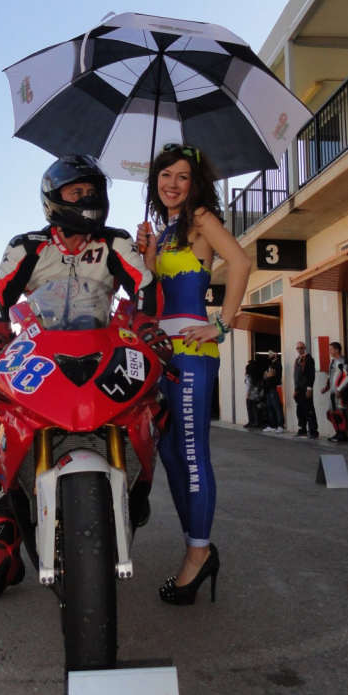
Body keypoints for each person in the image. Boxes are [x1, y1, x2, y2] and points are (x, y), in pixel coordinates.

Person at [0, 154, 173, 603]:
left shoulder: (116, 240)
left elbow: (143, 285)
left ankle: (137, 488)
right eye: (75, 191)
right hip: (39, 348)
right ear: (52, 198)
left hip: (104, 342)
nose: (86, 197)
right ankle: (5, 559)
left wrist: (146, 325)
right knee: (3, 446)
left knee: (156, 407)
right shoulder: (28, 245)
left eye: (92, 190)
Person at [137, 142, 251, 606]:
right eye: (165, 175)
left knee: (190, 452)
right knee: (168, 452)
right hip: (163, 355)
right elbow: (157, 291)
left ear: (195, 183)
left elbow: (240, 262)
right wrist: (148, 256)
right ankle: (196, 546)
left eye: (182, 176)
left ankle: (198, 553)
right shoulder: (167, 231)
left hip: (192, 353)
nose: (172, 183)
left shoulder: (201, 218)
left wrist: (221, 324)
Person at [321, 342, 347, 442]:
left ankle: (342, 434)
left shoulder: (343, 361)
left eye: (331, 349)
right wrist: (326, 388)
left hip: (340, 393)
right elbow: (330, 376)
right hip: (332, 392)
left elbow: (347, 377)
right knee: (331, 413)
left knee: (339, 412)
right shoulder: (332, 362)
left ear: (337, 350)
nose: (329, 351)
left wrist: (340, 390)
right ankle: (337, 433)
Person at [292, 342, 318, 439]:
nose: (299, 350)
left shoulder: (309, 359)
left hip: (305, 388)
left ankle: (313, 431)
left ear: (304, 348)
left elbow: (311, 375)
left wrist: (309, 388)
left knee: (308, 409)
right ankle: (302, 429)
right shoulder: (297, 360)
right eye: (297, 348)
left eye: (301, 348)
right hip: (298, 389)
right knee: (300, 410)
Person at [262, 350, 285, 434]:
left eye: (271, 353)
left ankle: (280, 425)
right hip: (268, 388)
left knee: (277, 406)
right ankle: (272, 425)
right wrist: (267, 374)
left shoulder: (277, 363)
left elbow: (270, 374)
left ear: (275, 354)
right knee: (270, 407)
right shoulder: (271, 364)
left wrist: (267, 374)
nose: (269, 355)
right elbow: (265, 376)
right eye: (268, 353)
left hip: (274, 388)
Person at [244, 360, 262, 428]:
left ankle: (251, 422)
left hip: (250, 395)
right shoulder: (257, 375)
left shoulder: (248, 376)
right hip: (256, 394)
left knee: (249, 409)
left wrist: (247, 394)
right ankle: (256, 422)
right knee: (254, 409)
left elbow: (249, 385)